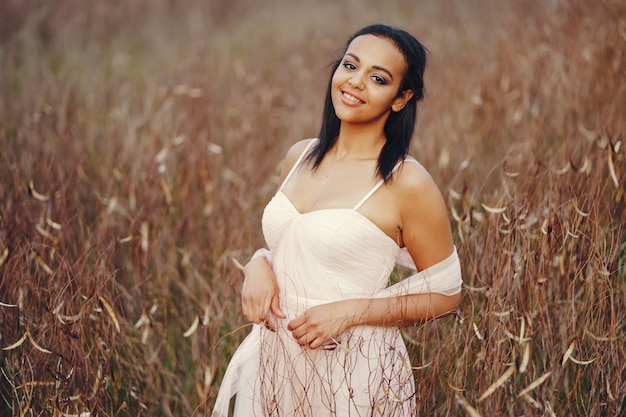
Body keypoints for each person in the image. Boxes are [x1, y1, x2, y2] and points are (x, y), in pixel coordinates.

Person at [212, 24, 462, 417]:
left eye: (378, 78)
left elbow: (446, 293)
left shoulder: (407, 182)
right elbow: (294, 246)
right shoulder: (300, 155)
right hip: (276, 360)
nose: (356, 83)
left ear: (401, 98)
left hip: (353, 369)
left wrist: (350, 312)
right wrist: (258, 263)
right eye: (350, 65)